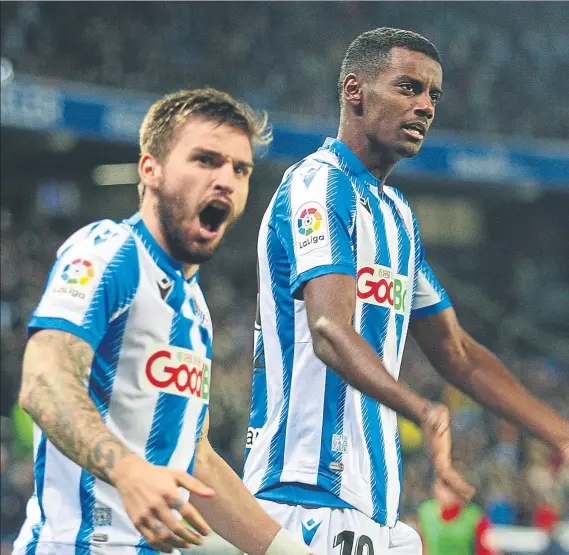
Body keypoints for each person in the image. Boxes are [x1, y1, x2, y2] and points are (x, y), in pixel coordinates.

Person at [242, 27, 569, 554]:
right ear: (355, 91)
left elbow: (457, 353)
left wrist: (559, 433)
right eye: (408, 88)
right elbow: (329, 330)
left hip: (375, 504)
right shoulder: (317, 186)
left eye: (433, 95)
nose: (425, 107)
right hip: (304, 493)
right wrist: (423, 409)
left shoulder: (397, 218)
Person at [13, 88, 318, 555]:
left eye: (240, 169)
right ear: (150, 169)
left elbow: (196, 458)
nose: (226, 180)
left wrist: (290, 553)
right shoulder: (110, 251)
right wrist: (127, 470)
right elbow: (43, 380)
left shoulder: (196, 311)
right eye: (206, 160)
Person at [418, 479, 500, 555]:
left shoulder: (475, 516)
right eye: (444, 484)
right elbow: (423, 545)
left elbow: (486, 550)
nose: (445, 492)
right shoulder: (426, 511)